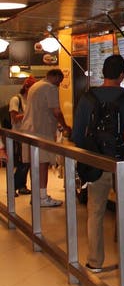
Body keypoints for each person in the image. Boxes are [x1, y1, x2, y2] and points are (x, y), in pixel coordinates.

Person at [72, 54, 124, 273]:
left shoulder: (87, 98)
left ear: (103, 73)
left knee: (96, 212)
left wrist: (86, 159)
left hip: (96, 162)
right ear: (122, 75)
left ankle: (95, 261)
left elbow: (78, 134)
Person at [20, 69, 71, 207]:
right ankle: (42, 198)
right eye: (59, 81)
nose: (59, 85)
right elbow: (56, 111)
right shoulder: (50, 87)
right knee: (42, 164)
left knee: (34, 165)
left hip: (29, 130)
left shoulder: (35, 86)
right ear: (54, 77)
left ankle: (37, 196)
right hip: (41, 131)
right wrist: (65, 126)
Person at [9, 76, 37, 195]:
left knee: (27, 162)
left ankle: (22, 186)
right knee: (22, 163)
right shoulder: (16, 100)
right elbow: (14, 118)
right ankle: (12, 187)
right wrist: (28, 114)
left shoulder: (31, 100)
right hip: (18, 136)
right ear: (26, 87)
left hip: (28, 135)